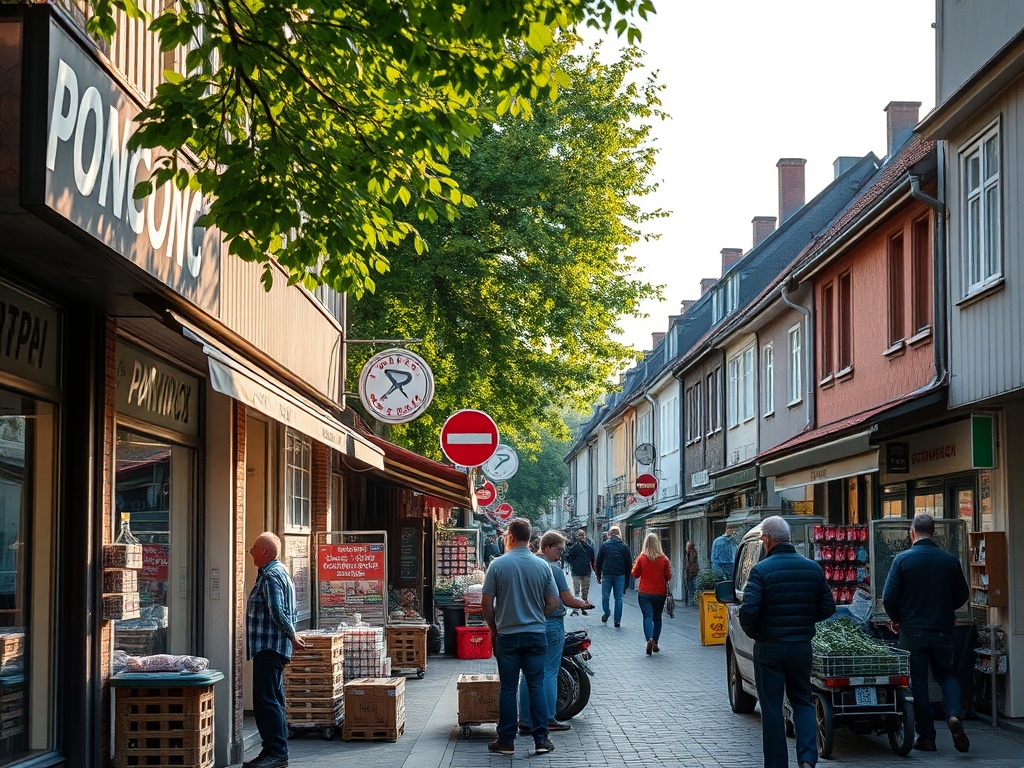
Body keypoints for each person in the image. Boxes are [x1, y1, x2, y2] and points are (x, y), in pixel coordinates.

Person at [739, 516, 836, 768]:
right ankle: (806, 759)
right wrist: (804, 621)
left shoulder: (760, 571)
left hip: (769, 646)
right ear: (788, 538)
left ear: (767, 539)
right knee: (802, 699)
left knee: (771, 707)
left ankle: (776, 764)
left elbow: (748, 611)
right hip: (800, 645)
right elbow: (828, 607)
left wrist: (756, 633)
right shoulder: (812, 568)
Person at [882, 513, 971, 753]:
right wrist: (943, 608)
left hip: (912, 632)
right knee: (948, 675)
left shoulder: (902, 560)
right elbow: (963, 594)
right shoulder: (949, 561)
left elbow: (889, 597)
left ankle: (927, 737)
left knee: (918, 682)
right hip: (942, 629)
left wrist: (897, 619)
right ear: (934, 533)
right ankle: (953, 715)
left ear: (912, 533)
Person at [481, 517, 560, 756]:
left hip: (507, 635)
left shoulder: (497, 565)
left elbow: (486, 603)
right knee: (536, 685)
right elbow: (553, 602)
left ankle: (506, 741)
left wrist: (493, 627)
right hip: (536, 634)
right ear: (530, 538)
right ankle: (541, 740)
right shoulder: (543, 566)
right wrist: (539, 615)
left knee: (507, 688)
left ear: (510, 537)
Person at [245, 532, 307, 768]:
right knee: (273, 700)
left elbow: (277, 611)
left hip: (270, 647)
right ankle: (272, 751)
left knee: (266, 701)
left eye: (254, 547)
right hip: (272, 647)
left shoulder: (271, 575)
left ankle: (277, 753)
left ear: (264, 551)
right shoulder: (279, 572)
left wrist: (292, 636)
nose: (250, 551)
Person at [518, 530, 589, 735]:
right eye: (559, 550)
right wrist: (584, 603)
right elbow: (566, 600)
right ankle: (548, 717)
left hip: (528, 623)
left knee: (528, 672)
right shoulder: (554, 570)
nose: (561, 555)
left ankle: (525, 719)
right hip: (550, 623)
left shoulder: (526, 567)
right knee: (549, 670)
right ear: (546, 547)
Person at [631, 532, 672, 655]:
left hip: (644, 592)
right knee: (658, 618)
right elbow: (668, 576)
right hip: (660, 592)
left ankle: (648, 639)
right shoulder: (664, 559)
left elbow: (635, 574)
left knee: (647, 617)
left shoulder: (642, 558)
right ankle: (655, 642)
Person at [595, 525, 632, 627]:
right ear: (619, 534)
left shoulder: (605, 545)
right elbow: (629, 564)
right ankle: (617, 621)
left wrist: (598, 575)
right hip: (620, 575)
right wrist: (627, 579)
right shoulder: (624, 546)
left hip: (607, 575)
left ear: (609, 534)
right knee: (619, 598)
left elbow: (599, 561)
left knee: (605, 596)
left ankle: (607, 612)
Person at [563, 527, 597, 615]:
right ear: (577, 537)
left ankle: (583, 606)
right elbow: (569, 559)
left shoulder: (588, 548)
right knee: (577, 590)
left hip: (584, 572)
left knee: (585, 591)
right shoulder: (574, 548)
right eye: (580, 535)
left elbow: (592, 559)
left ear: (585, 536)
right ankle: (578, 607)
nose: (581, 536)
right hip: (578, 572)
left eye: (583, 535)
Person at [684, 540, 700, 606]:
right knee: (689, 586)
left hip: (692, 572)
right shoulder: (689, 552)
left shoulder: (692, 552)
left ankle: (693, 600)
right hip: (689, 572)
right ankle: (690, 600)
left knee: (692, 586)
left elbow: (690, 561)